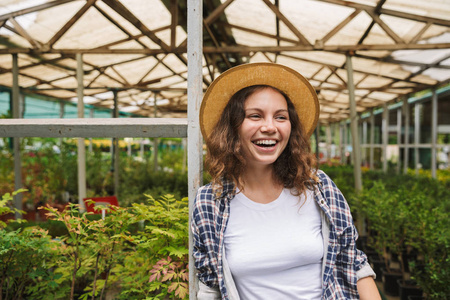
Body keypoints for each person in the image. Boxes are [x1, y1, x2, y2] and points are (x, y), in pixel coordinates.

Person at [191, 63, 381, 300]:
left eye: (281, 117)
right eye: (255, 116)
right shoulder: (211, 202)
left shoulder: (317, 186)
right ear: (233, 126)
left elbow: (353, 263)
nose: (270, 127)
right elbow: (210, 287)